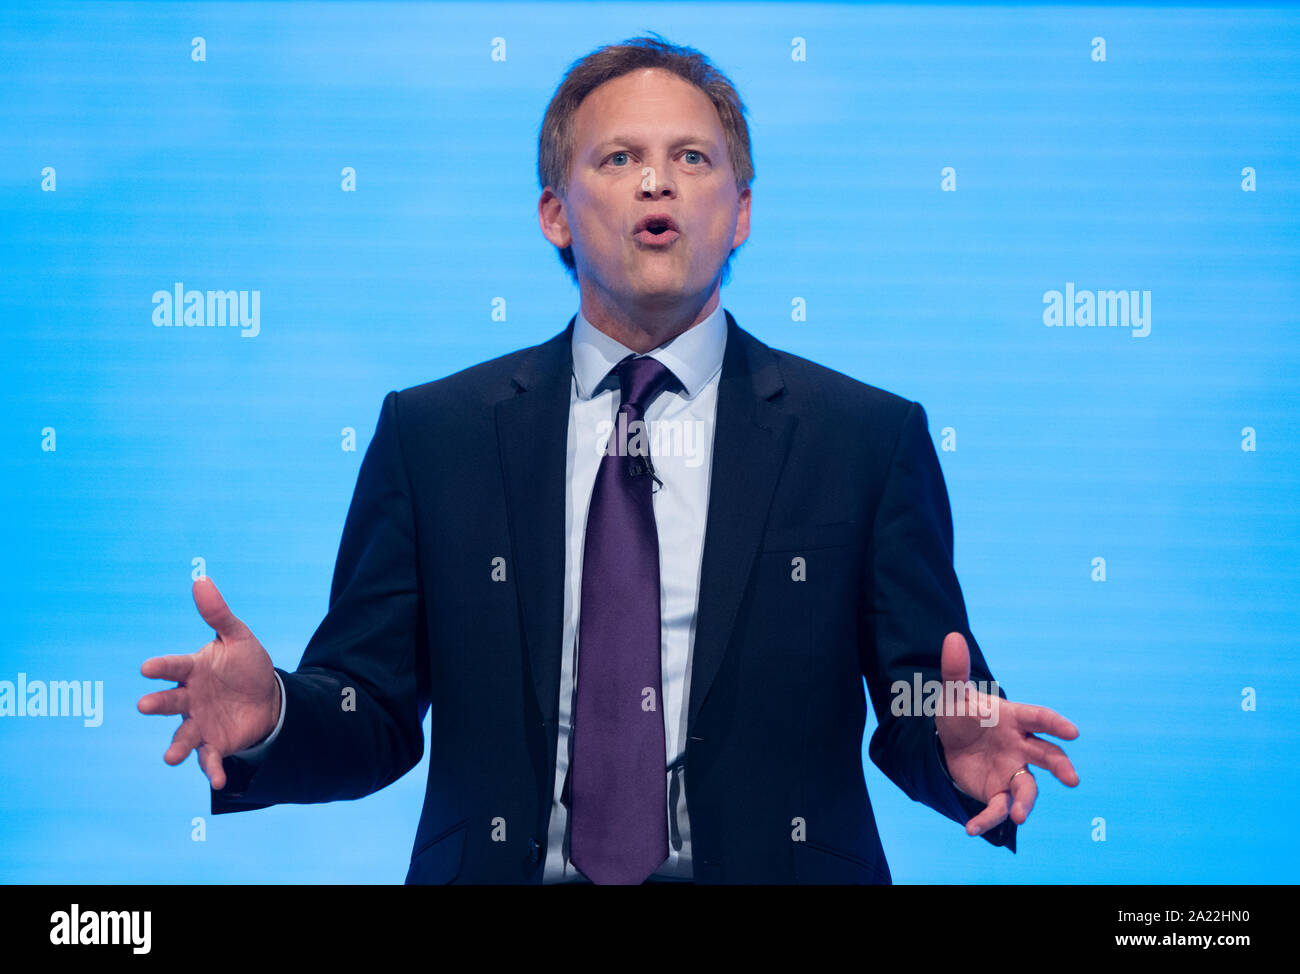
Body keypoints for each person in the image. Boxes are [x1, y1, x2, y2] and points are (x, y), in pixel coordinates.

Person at [138, 34, 1079, 885]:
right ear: (555, 213)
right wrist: (275, 718)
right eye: (620, 157)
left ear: (741, 211)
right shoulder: (436, 434)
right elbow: (372, 708)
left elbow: (926, 692)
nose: (656, 183)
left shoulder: (864, 437)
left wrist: (956, 750)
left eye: (692, 159)